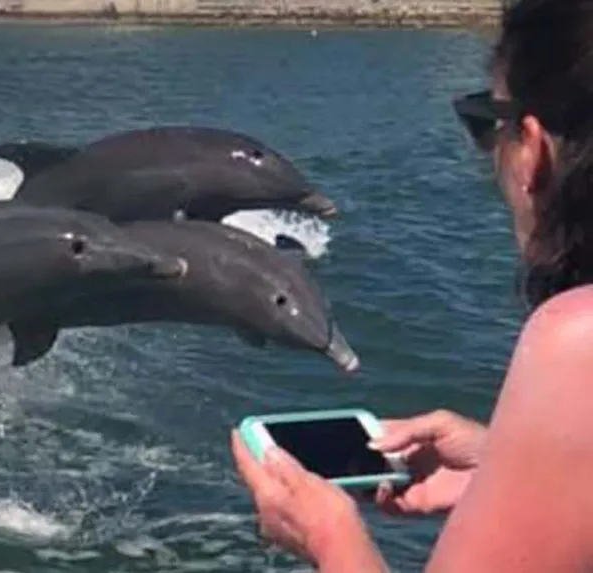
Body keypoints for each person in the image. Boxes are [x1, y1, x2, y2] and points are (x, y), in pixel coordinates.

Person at [229, 0, 593, 571]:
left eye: (485, 124)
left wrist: (328, 538)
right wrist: (508, 467)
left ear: (533, 149)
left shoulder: (578, 342)